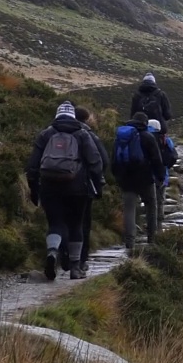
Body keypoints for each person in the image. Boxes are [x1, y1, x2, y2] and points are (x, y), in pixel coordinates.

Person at [25, 101, 104, 280]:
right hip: (78, 189)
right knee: (76, 225)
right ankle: (75, 268)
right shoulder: (83, 134)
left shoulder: (46, 134)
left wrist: (34, 189)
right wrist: (97, 185)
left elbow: (32, 166)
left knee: (55, 223)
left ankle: (52, 252)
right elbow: (96, 162)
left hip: (49, 187)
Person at [112, 111, 166, 250]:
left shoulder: (121, 137)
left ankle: (130, 241)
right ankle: (152, 238)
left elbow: (114, 159)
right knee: (151, 206)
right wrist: (160, 177)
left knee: (129, 209)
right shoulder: (148, 137)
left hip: (126, 179)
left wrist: (118, 177)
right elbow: (156, 159)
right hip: (145, 179)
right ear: (145, 123)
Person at [73, 106, 107, 276]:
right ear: (86, 119)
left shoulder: (50, 132)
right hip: (81, 186)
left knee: (59, 221)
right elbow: (102, 161)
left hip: (53, 185)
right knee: (82, 223)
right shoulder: (88, 135)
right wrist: (98, 183)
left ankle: (58, 254)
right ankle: (80, 260)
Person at [148, 118, 177, 227]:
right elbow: (173, 156)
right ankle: (158, 224)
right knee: (160, 200)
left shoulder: (141, 136)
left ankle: (147, 223)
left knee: (148, 201)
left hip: (145, 175)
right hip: (161, 174)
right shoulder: (165, 139)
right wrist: (166, 167)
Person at [129, 73, 173, 139]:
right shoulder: (161, 94)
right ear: (154, 82)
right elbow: (167, 115)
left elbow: (133, 115)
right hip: (159, 130)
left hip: (140, 129)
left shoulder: (136, 95)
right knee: (168, 147)